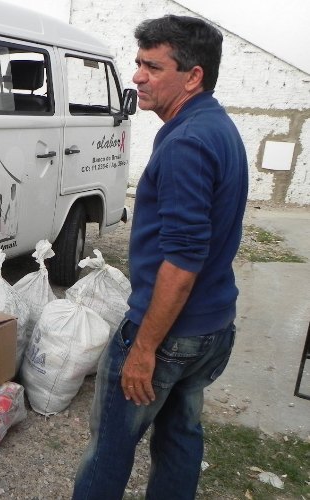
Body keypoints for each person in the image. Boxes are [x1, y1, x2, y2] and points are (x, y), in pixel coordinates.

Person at [72, 15, 248, 500]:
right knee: (179, 437)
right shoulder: (216, 125)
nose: (137, 77)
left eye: (152, 66)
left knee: (110, 446)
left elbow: (184, 259)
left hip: (170, 333)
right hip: (211, 327)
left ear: (193, 76)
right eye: (137, 63)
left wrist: (144, 349)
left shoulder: (188, 142)